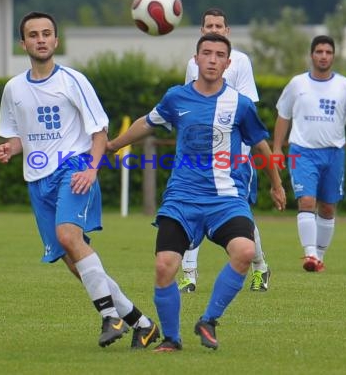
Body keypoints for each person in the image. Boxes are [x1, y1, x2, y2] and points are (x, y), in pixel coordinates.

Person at [107, 33, 286, 351]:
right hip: (182, 199)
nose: (213, 59)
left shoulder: (240, 104)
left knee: (245, 251)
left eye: (220, 55)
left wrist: (276, 183)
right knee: (165, 266)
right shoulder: (176, 98)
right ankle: (172, 339)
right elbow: (148, 122)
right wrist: (111, 146)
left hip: (225, 199)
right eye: (207, 53)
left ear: (228, 63)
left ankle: (209, 320)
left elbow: (259, 143)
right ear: (196, 59)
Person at [0, 11, 159, 349]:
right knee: (74, 259)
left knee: (68, 236)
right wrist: (10, 149)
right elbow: (21, 137)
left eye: (47, 33)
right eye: (33, 34)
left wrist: (91, 168)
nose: (41, 39)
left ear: (56, 40)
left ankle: (109, 317)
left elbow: (99, 132)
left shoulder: (73, 80)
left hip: (75, 169)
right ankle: (140, 323)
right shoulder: (13, 89)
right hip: (37, 181)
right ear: (23, 43)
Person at [180, 8, 271, 293]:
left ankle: (260, 265)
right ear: (202, 30)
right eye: (210, 25)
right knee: (189, 211)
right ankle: (188, 274)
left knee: (239, 217)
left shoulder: (240, 62)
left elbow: (248, 106)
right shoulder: (192, 64)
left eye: (219, 25)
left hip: (234, 158)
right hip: (198, 157)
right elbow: (187, 107)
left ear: (227, 31)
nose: (215, 29)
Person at [272, 35, 346, 272]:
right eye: (319, 51)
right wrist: (276, 149)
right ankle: (310, 255)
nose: (323, 56)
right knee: (306, 201)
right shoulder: (297, 84)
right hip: (302, 151)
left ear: (333, 56)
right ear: (312, 55)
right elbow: (283, 116)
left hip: (334, 153)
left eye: (328, 52)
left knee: (327, 208)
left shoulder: (344, 85)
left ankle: (320, 257)